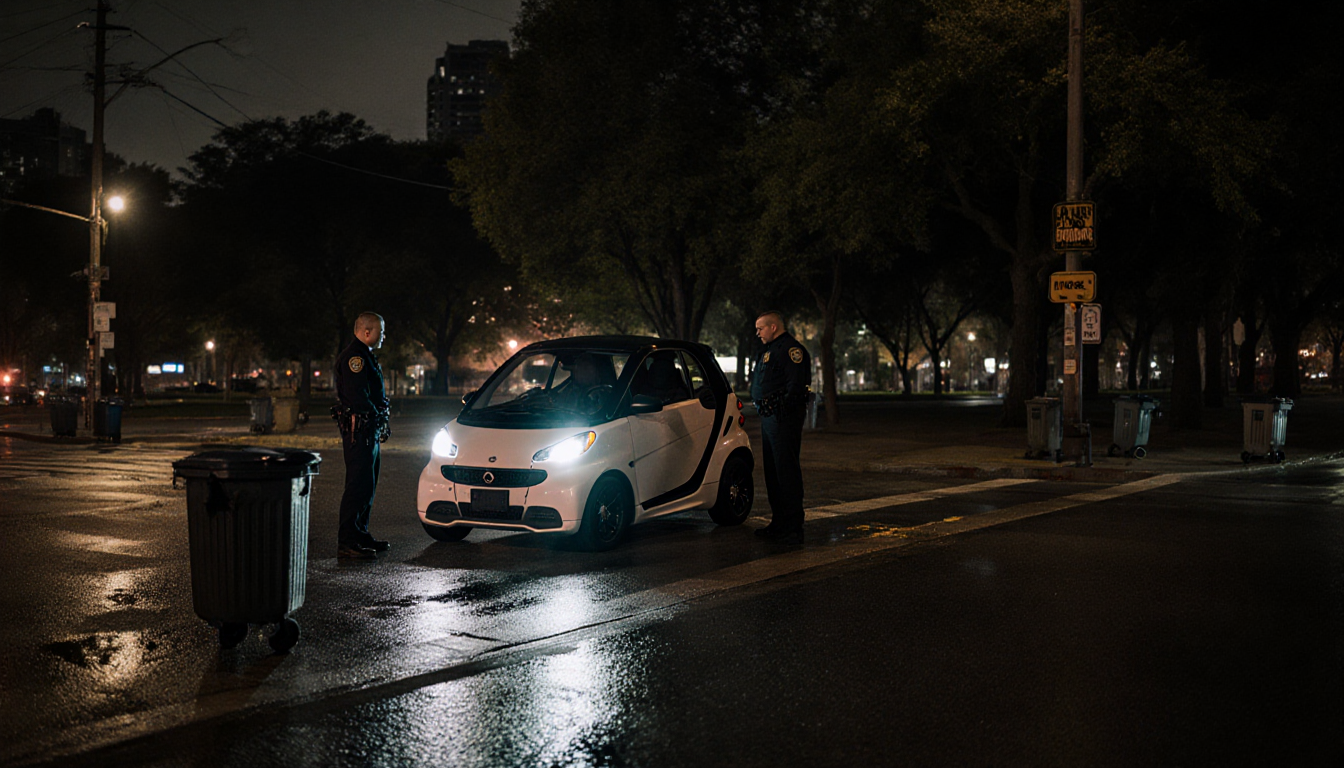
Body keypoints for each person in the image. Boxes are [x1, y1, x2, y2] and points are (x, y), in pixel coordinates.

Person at [332, 312, 391, 560]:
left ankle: (360, 533)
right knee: (357, 485)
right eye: (381, 331)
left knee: (368, 483)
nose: (384, 336)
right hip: (359, 431)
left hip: (368, 429)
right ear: (367, 332)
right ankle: (347, 541)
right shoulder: (355, 358)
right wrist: (377, 413)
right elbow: (359, 397)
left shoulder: (365, 355)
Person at [750, 310, 812, 545]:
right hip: (770, 419)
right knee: (772, 472)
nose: (758, 333)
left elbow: (795, 386)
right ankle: (779, 522)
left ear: (773, 327)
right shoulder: (770, 350)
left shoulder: (791, 350)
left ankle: (793, 525)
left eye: (761, 329)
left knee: (786, 471)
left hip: (783, 419)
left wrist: (780, 406)